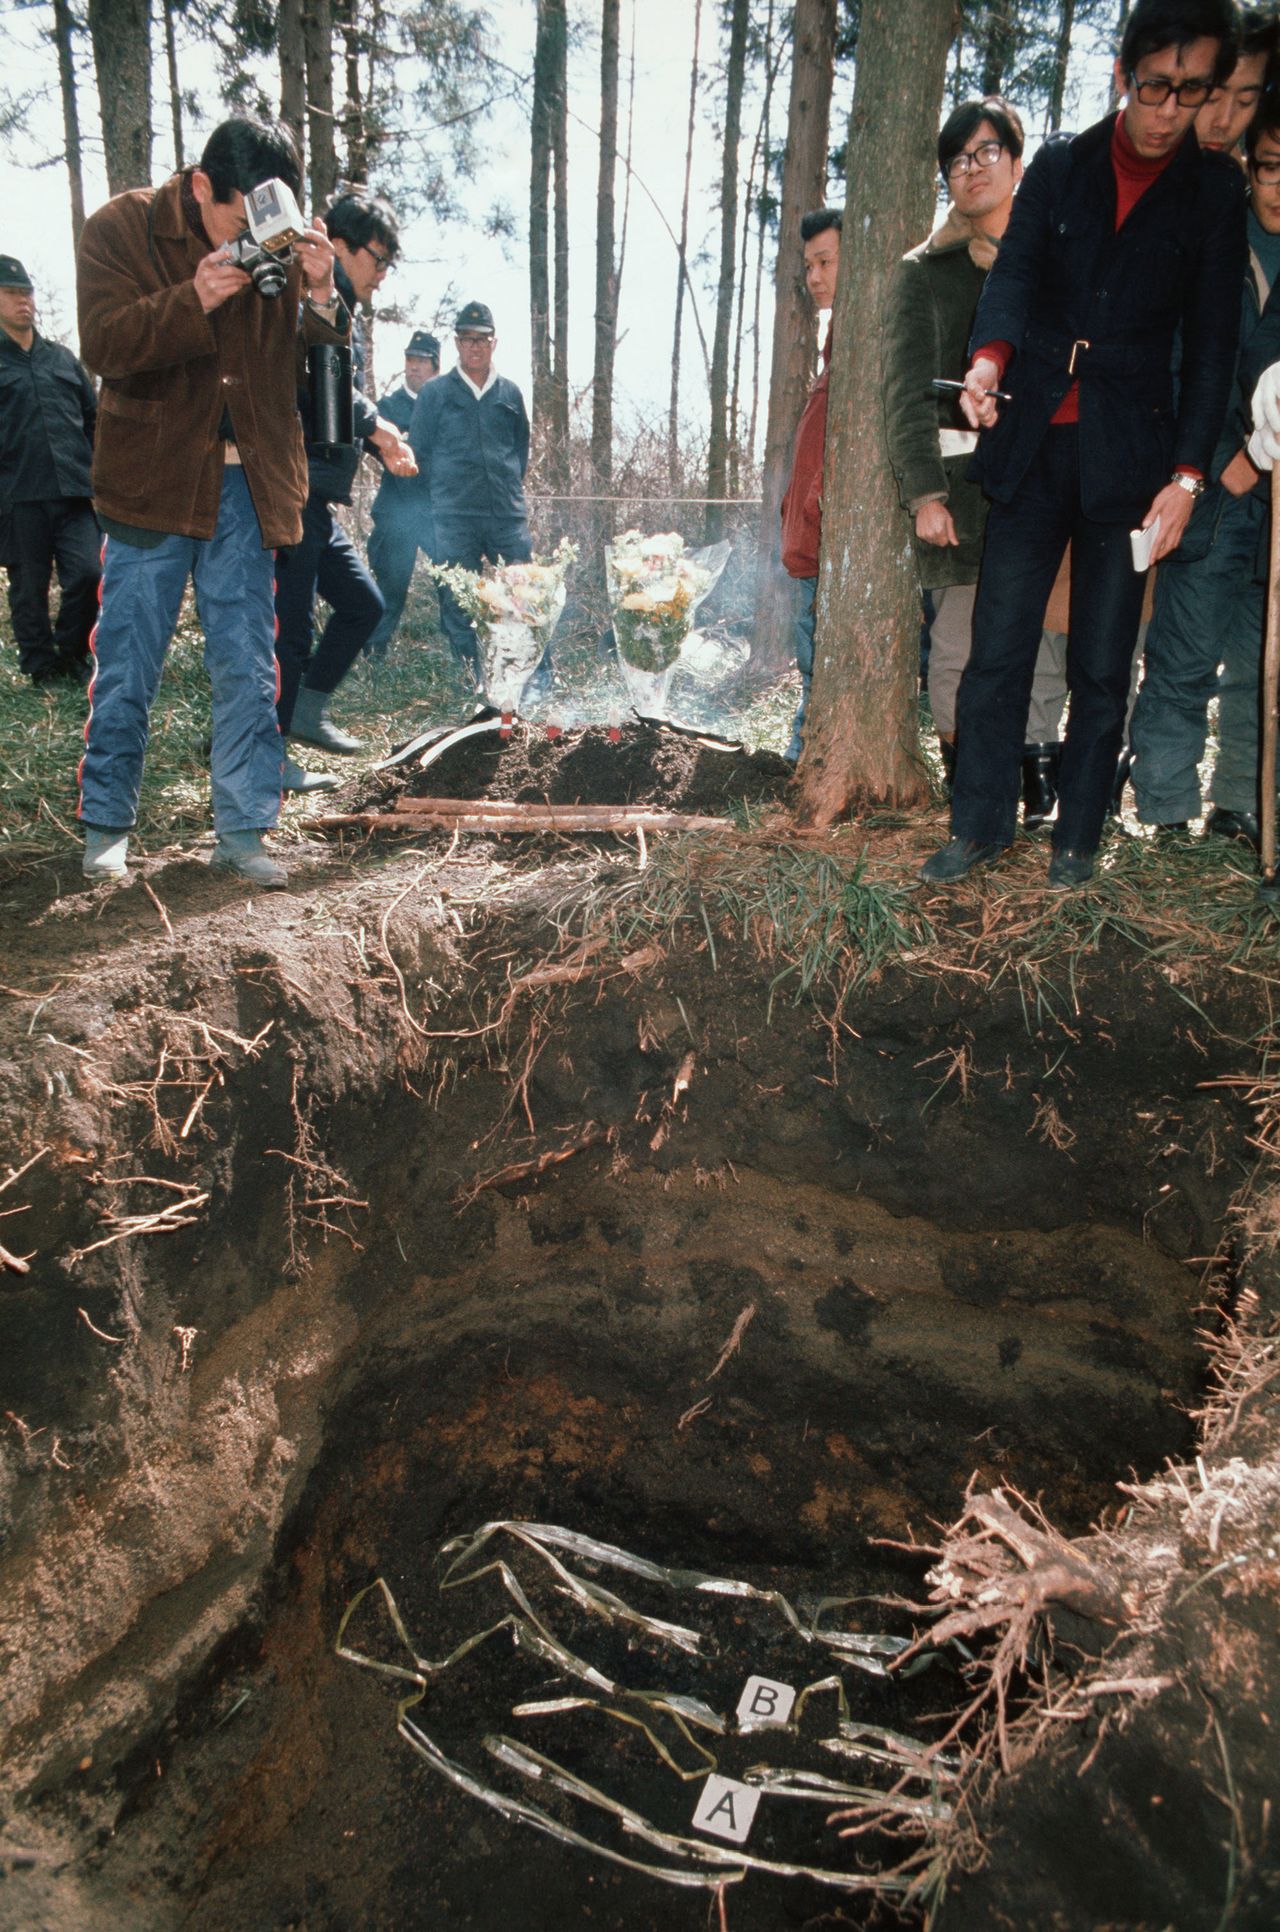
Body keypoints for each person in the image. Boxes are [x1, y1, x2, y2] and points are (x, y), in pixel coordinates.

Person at [920, 0, 1247, 891]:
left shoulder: (1213, 193)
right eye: (1154, 86)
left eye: (1191, 91)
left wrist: (1185, 477)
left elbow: (1212, 347)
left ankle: (1078, 840)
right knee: (998, 648)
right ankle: (978, 825)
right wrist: (987, 364)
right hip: (1031, 444)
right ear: (1122, 75)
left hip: (1133, 462)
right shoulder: (1061, 166)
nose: (1168, 110)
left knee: (1106, 662)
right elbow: (1015, 278)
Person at [76, 114, 349, 886]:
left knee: (247, 665)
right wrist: (189, 298)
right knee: (129, 660)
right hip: (152, 485)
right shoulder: (121, 229)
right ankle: (106, 826)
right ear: (200, 187)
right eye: (237, 218)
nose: (255, 238)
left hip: (245, 490)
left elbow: (318, 375)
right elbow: (103, 344)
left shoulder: (282, 241)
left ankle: (243, 828)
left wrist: (325, 294)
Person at [884, 98, 1068, 825]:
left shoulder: (1061, 256)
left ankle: (1040, 778)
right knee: (958, 648)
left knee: (1047, 639)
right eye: (958, 160)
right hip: (961, 496)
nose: (973, 170)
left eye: (988, 152)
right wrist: (924, 494)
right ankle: (971, 789)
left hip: (1047, 482)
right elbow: (903, 395)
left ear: (1018, 164)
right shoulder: (925, 272)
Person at [1131, 68, 1280, 845]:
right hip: (1209, 481)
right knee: (1184, 655)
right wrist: (1222, 454)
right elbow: (1188, 355)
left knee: (1265, 662)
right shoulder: (1220, 233)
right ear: (1252, 163)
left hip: (1278, 498)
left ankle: (1242, 805)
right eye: (1273, 166)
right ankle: (1164, 808)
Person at [273, 189, 415, 790]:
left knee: (364, 605)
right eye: (377, 259)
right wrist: (379, 427)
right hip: (288, 483)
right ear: (337, 245)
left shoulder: (345, 308)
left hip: (319, 495)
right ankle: (267, 752)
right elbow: (314, 384)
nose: (382, 274)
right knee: (289, 625)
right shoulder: (303, 297)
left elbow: (336, 396)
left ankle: (305, 713)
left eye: (387, 264)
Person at [406, 301, 531, 688]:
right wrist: (443, 501)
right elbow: (419, 455)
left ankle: (530, 674)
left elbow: (519, 450)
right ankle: (470, 679)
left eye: (482, 340)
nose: (474, 347)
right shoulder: (435, 393)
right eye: (466, 340)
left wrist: (507, 490)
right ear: (457, 343)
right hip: (454, 516)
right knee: (459, 600)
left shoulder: (509, 392)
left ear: (494, 343)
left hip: (505, 515)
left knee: (524, 594)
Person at [0, 255, 100, 687]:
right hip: (18, 494)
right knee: (29, 587)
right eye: (11, 294)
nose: (23, 302)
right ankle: (42, 667)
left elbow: (93, 418)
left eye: (27, 293)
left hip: (76, 492)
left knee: (89, 573)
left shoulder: (61, 358)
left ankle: (74, 656)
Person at [779, 209, 840, 763]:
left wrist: (815, 505)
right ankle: (802, 760)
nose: (814, 276)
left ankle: (802, 762)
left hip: (825, 547)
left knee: (818, 666)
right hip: (808, 546)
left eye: (825, 261)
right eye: (808, 265)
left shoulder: (855, 348)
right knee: (811, 663)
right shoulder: (832, 350)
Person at [365, 327, 440, 660]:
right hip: (397, 511)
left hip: (438, 511)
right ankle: (373, 656)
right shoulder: (387, 407)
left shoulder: (445, 402)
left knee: (454, 585)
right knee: (389, 589)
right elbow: (374, 444)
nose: (414, 367)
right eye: (410, 359)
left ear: (436, 367)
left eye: (422, 361)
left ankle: (467, 660)